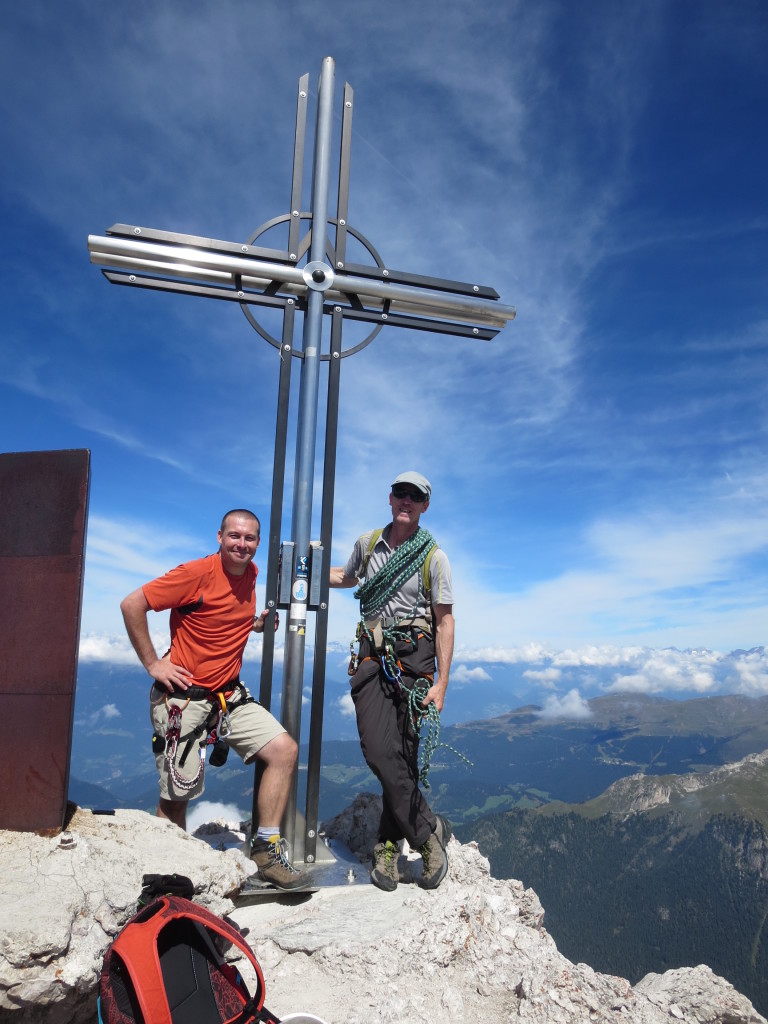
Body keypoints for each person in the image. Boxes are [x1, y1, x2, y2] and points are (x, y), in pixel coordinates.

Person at [120, 508, 308, 890]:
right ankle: (166, 877)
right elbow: (131, 604)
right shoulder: (195, 574)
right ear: (219, 537)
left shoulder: (253, 576)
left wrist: (255, 624)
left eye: (250, 538)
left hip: (227, 696)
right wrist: (155, 664)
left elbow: (225, 617)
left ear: (258, 543)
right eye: (234, 536)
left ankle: (266, 850)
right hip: (184, 700)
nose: (242, 544)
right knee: (176, 797)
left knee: (284, 751)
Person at [329, 472, 454, 891]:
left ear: (424, 506)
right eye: (400, 493)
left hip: (416, 659)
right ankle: (428, 832)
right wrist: (302, 571)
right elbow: (347, 578)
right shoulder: (368, 545)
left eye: (415, 496)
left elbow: (445, 620)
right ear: (389, 498)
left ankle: (387, 844)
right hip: (372, 655)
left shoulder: (434, 557)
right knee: (380, 750)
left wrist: (442, 683)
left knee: (404, 755)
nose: (406, 500)